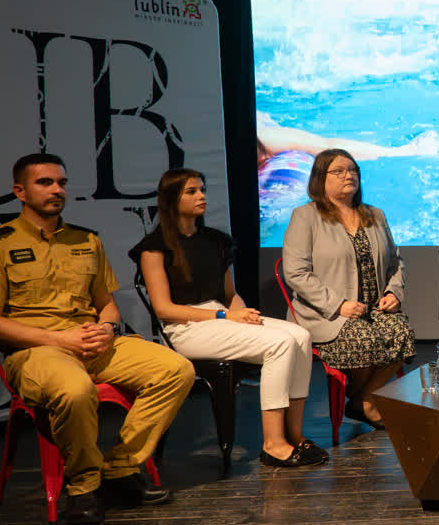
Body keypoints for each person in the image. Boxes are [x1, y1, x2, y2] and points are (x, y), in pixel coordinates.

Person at [0, 153, 193, 525]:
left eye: (61, 182)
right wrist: (60, 340)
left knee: (176, 369)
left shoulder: (85, 240)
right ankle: (84, 486)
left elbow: (107, 306)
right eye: (45, 182)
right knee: (75, 390)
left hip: (91, 343)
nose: (56, 189)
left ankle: (120, 468)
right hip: (35, 352)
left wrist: (106, 329)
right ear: (20, 191)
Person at [132, 169, 325, 469]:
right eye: (192, 191)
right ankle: (273, 444)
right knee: (281, 343)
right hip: (185, 327)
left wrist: (241, 314)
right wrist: (224, 315)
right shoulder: (154, 248)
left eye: (202, 189)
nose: (201, 196)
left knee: (300, 335)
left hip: (221, 318)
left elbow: (230, 294)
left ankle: (294, 434)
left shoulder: (216, 241)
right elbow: (164, 309)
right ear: (171, 199)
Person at [281, 149, 415, 431]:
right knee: (363, 337)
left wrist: (393, 293)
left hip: (373, 309)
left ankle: (362, 401)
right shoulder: (305, 216)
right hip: (327, 314)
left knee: (401, 332)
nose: (349, 175)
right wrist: (338, 305)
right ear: (321, 178)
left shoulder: (375, 215)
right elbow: (296, 272)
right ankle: (363, 401)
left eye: (353, 170)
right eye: (339, 171)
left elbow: (395, 262)